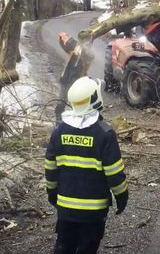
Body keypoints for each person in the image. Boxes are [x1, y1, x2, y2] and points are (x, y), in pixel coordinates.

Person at [45, 76, 128, 254]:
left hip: (66, 208)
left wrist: (52, 193)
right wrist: (122, 198)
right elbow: (115, 173)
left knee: (64, 246)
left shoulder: (59, 131)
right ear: (95, 98)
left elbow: (50, 168)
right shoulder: (105, 134)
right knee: (87, 248)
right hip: (94, 212)